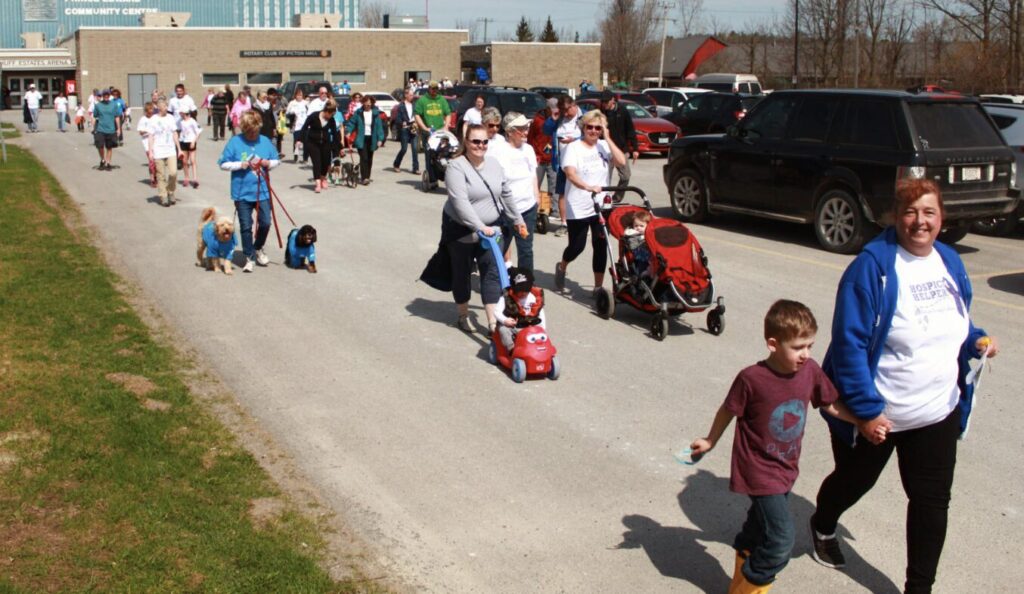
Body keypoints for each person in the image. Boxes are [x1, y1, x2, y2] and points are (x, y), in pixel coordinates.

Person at [808, 179, 1000, 594]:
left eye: (929, 212)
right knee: (854, 481)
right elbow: (849, 344)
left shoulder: (948, 260)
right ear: (896, 216)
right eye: (911, 212)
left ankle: (919, 589)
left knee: (932, 503)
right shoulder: (872, 267)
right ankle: (822, 523)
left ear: (941, 217)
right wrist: (866, 411)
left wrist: (976, 338)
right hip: (879, 414)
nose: (920, 221)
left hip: (937, 411)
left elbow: (956, 320)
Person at [690, 300, 855, 594]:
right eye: (798, 347)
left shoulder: (810, 371)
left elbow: (828, 404)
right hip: (758, 469)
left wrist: (862, 422)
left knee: (758, 527)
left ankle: (743, 561)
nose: (805, 354)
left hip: (786, 466)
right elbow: (728, 410)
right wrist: (710, 440)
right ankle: (749, 586)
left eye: (810, 346)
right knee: (780, 541)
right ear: (773, 344)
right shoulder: (752, 379)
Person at [442, 124, 526, 333]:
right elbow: (460, 202)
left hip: (492, 229)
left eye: (484, 142)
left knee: (492, 273)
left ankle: (493, 322)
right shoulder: (456, 166)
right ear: (466, 142)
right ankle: (463, 314)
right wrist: (479, 226)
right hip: (461, 230)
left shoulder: (494, 164)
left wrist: (517, 218)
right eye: (475, 141)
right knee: (462, 274)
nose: (480, 146)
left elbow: (505, 193)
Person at [552, 109, 625, 297]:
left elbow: (621, 162)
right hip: (578, 203)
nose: (593, 131)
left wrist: (608, 138)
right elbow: (570, 173)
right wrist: (587, 186)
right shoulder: (573, 148)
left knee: (600, 245)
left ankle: (598, 287)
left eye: (597, 128)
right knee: (577, 246)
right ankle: (562, 265)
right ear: (583, 128)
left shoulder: (603, 146)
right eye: (589, 127)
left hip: (601, 205)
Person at [218, 110, 281, 272]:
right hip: (242, 192)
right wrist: (240, 165)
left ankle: (258, 247)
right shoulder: (235, 142)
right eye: (250, 132)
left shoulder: (265, 141)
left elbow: (276, 160)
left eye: (255, 131)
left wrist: (268, 163)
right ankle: (249, 256)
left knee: (266, 222)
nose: (253, 134)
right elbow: (223, 163)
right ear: (244, 129)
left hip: (263, 191)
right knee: (246, 226)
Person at [492, 112, 539, 273]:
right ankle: (496, 283)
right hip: (505, 211)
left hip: (527, 209)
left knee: (526, 249)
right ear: (510, 131)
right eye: (522, 128)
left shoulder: (529, 150)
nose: (526, 131)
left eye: (527, 127)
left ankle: (525, 287)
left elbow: (533, 175)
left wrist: (536, 199)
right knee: (498, 248)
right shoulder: (498, 151)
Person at [543, 95, 581, 238]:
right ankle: (564, 224)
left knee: (581, 192)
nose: (565, 113)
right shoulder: (559, 119)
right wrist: (552, 118)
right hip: (562, 164)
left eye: (567, 110)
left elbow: (593, 136)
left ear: (573, 105)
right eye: (562, 110)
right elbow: (546, 130)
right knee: (562, 193)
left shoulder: (583, 118)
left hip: (579, 165)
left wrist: (575, 140)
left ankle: (582, 222)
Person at [494, 267, 546, 355]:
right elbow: (496, 311)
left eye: (526, 291)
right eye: (520, 291)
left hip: (530, 326)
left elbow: (540, 313)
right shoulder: (506, 297)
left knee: (541, 335)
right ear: (513, 288)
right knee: (503, 329)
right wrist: (505, 320)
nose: (523, 293)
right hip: (514, 326)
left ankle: (542, 350)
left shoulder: (534, 298)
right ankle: (511, 349)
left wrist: (543, 328)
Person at [599, 90, 639, 201]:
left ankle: (617, 198)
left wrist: (635, 148)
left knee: (626, 176)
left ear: (613, 100)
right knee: (605, 177)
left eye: (606, 101)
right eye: (603, 101)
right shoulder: (601, 112)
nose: (604, 104)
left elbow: (630, 129)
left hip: (621, 149)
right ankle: (603, 199)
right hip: (605, 149)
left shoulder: (622, 111)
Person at [528, 97, 561, 227]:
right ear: (547, 108)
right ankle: (532, 210)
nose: (554, 113)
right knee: (535, 185)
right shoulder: (537, 120)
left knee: (554, 185)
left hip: (551, 158)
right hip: (538, 158)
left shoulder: (557, 120)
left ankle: (554, 209)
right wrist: (532, 154)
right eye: (552, 110)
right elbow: (530, 138)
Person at [415, 81, 453, 186]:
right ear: (429, 89)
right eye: (432, 88)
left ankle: (440, 175)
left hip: (440, 133)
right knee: (429, 156)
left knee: (442, 154)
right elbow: (417, 115)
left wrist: (446, 126)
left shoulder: (442, 100)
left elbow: (448, 114)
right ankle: (431, 178)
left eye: (436, 89)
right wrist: (424, 127)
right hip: (428, 133)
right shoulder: (422, 100)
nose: (434, 91)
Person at [345, 94, 386, 185]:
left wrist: (380, 139)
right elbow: (352, 123)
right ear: (363, 103)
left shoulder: (375, 114)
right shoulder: (358, 113)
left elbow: (379, 127)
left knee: (369, 158)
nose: (367, 106)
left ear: (372, 104)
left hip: (372, 139)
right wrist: (348, 131)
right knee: (364, 157)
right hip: (361, 138)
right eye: (365, 104)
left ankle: (367, 176)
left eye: (369, 104)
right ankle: (364, 178)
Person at [302, 99, 341, 193]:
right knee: (317, 163)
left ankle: (323, 178)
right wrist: (301, 140)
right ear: (326, 111)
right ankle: (318, 183)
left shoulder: (331, 120)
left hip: (325, 143)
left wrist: (339, 146)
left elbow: (335, 134)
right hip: (312, 143)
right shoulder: (314, 116)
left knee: (326, 162)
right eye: (331, 114)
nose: (331, 117)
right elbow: (304, 127)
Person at [148, 99, 180, 206]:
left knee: (173, 173)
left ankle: (170, 191)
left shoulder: (170, 118)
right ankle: (163, 196)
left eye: (167, 106)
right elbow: (151, 136)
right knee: (160, 175)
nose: (166, 108)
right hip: (158, 151)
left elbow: (175, 133)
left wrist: (179, 149)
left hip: (170, 150)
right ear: (159, 107)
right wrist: (151, 151)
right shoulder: (153, 119)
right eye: (165, 106)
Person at [92, 89, 122, 171]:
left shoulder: (114, 105)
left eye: (107, 95)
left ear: (109, 96)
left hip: (111, 129)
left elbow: (117, 117)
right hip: (100, 129)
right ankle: (102, 159)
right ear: (102, 96)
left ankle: (108, 163)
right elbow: (94, 116)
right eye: (104, 95)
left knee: (109, 147)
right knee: (100, 146)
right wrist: (93, 128)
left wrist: (118, 128)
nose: (106, 96)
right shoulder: (98, 105)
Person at [391, 89, 420, 174]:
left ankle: (416, 168)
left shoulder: (415, 105)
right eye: (411, 95)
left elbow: (417, 115)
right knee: (404, 149)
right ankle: (396, 164)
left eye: (413, 95)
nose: (412, 97)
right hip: (405, 129)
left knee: (415, 149)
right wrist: (402, 123)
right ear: (406, 96)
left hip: (413, 128)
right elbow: (397, 119)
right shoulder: (401, 106)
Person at [623, 210, 655, 279]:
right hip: (640, 253)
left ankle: (651, 271)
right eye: (636, 225)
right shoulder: (632, 234)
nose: (638, 228)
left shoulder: (650, 233)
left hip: (651, 254)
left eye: (641, 226)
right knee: (642, 264)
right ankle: (642, 275)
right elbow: (633, 245)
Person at [178, 108, 202, 188]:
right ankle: (186, 178)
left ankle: (195, 179)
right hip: (183, 141)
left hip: (191, 142)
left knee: (192, 160)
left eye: (181, 112)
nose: (179, 113)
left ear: (185, 112)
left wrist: (194, 141)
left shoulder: (192, 121)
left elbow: (199, 131)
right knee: (184, 161)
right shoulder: (180, 121)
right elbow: (178, 131)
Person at [137, 101, 158, 187]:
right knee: (151, 161)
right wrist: (148, 131)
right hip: (147, 143)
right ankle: (152, 178)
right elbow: (140, 132)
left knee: (157, 161)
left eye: (152, 109)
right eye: (150, 109)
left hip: (156, 143)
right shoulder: (143, 119)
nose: (151, 111)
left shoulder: (156, 118)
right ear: (146, 110)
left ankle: (157, 176)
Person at [286, 88, 309, 163]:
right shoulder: (292, 103)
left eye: (301, 95)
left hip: (305, 125)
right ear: (295, 95)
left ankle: (305, 158)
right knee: (296, 141)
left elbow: (310, 112)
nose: (299, 96)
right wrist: (291, 115)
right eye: (298, 95)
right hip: (296, 126)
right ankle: (296, 156)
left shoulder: (306, 103)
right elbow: (287, 113)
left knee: (306, 142)